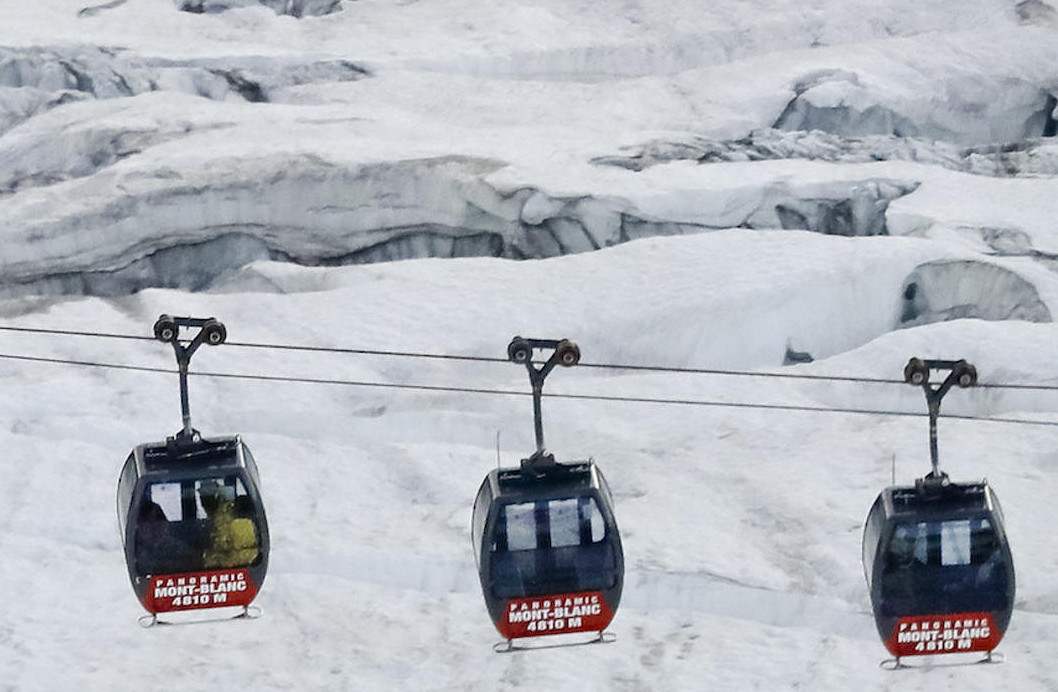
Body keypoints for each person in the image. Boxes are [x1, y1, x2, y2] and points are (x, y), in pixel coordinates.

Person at [199, 479, 259, 569]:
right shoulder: (216, 515)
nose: (202, 501)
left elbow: (250, 555)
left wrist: (216, 559)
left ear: (216, 495)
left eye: (205, 496)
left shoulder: (241, 525)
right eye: (202, 496)